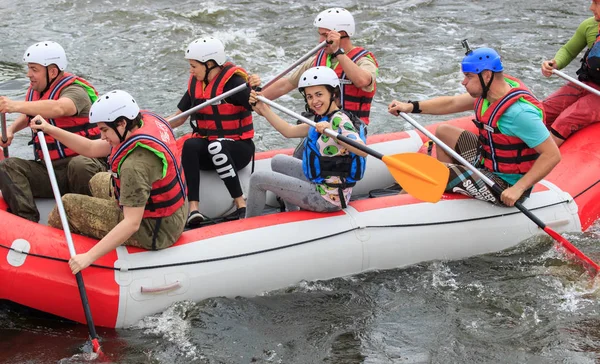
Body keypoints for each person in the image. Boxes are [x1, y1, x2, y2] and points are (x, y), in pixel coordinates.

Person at [30, 90, 187, 274]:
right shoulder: (139, 124)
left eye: (104, 130)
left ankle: (51, 259)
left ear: (121, 123)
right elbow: (91, 147)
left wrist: (87, 257)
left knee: (67, 206)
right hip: (172, 212)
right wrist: (50, 129)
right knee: (97, 180)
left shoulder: (135, 165)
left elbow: (132, 223)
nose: (102, 136)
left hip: (154, 230)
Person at [387, 47, 561, 207]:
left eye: (469, 76)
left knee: (427, 171)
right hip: (486, 163)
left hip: (504, 184)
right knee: (443, 132)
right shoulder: (489, 94)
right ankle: (440, 197)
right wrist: (410, 107)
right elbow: (451, 103)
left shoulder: (520, 113)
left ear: (486, 76)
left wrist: (518, 189)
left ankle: (395, 206)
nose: (463, 82)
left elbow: (552, 155)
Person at [0, 41, 106, 222]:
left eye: (34, 69)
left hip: (88, 165)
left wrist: (13, 105)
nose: (29, 74)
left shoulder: (75, 91)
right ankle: (26, 221)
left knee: (79, 165)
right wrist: (11, 129)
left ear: (53, 72)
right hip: (52, 169)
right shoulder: (37, 91)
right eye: (29, 69)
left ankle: (91, 220)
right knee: (8, 167)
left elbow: (60, 108)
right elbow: (29, 115)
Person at [250, 7, 378, 157]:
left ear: (341, 35)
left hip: (349, 131)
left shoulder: (364, 61)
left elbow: (362, 80)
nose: (320, 41)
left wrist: (339, 52)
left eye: (325, 35)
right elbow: (287, 84)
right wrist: (256, 99)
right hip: (320, 125)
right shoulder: (318, 60)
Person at [246, 66, 367, 218]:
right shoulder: (323, 117)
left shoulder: (339, 120)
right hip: (320, 184)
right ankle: (293, 215)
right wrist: (263, 109)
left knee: (258, 179)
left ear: (333, 93)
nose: (314, 101)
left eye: (319, 94)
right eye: (309, 97)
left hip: (328, 199)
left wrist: (334, 133)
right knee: (278, 161)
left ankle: (248, 226)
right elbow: (288, 131)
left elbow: (362, 150)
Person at [169, 37, 254, 227]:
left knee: (216, 146)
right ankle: (194, 209)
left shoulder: (234, 83)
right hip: (211, 147)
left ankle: (241, 203)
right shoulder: (197, 83)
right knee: (190, 144)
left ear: (209, 64)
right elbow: (180, 117)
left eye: (193, 66)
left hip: (239, 149)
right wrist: (154, 127)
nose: (190, 71)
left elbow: (259, 105)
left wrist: (256, 90)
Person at [540, 1, 600, 147]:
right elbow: (568, 50)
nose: (591, 8)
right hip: (586, 83)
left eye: (596, 3)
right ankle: (515, 156)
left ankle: (540, 164)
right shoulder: (589, 26)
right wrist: (555, 63)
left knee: (565, 120)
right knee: (542, 111)